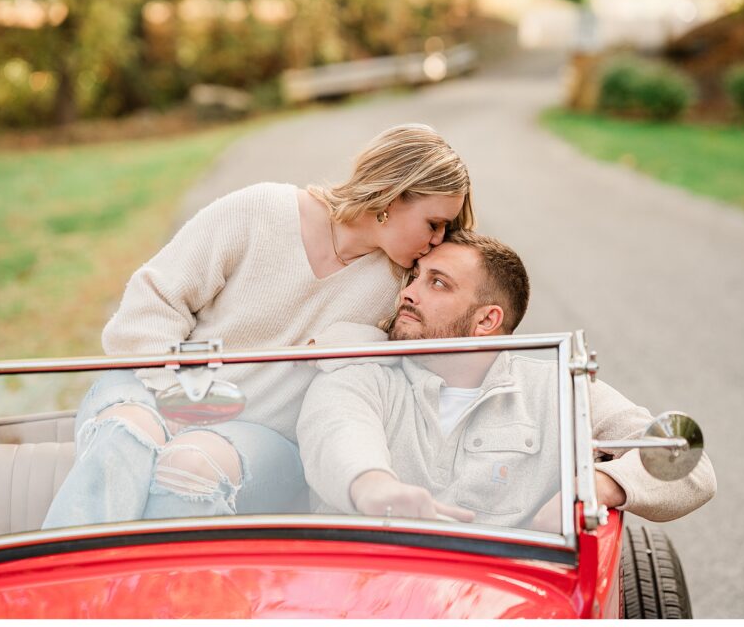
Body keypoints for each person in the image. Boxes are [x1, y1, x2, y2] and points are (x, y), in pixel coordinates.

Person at [42, 123, 475, 529]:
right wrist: (182, 401)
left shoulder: (401, 285)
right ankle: (54, 599)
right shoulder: (260, 210)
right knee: (125, 437)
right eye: (433, 223)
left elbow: (430, 349)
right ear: (391, 198)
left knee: (191, 470)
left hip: (264, 441)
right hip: (155, 388)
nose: (438, 240)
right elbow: (150, 306)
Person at [297, 230, 717, 531]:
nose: (409, 293)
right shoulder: (359, 368)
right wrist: (373, 487)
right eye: (415, 278)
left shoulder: (558, 390)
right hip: (368, 585)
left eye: (437, 283)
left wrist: (597, 485)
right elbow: (337, 432)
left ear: (486, 320)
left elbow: (690, 470)